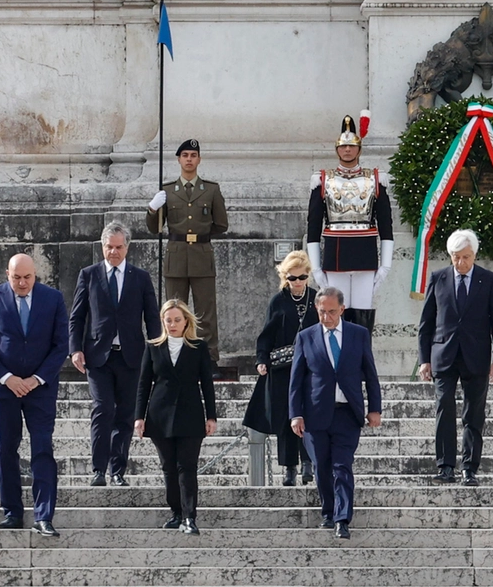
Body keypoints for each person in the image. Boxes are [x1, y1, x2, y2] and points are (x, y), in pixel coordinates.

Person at [0, 254, 68, 537]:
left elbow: (60, 344)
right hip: (3, 389)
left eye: (28, 277)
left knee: (42, 449)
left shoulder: (53, 299)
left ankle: (43, 516)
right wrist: (8, 378)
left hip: (40, 389)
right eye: (17, 278)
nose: (23, 283)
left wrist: (36, 379)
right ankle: (13, 512)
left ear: (35, 274)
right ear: (7, 275)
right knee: (5, 451)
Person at [69, 221, 161, 487]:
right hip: (98, 356)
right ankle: (98, 469)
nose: (114, 252)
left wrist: (157, 353)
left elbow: (153, 319)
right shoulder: (88, 275)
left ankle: (117, 471)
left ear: (127, 248)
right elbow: (77, 317)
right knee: (103, 409)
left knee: (125, 415)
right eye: (109, 247)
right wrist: (75, 349)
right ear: (102, 246)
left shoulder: (140, 277)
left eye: (119, 247)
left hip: (132, 357)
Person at [290, 287, 383, 539]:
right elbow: (296, 380)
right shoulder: (306, 337)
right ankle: (328, 512)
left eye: (332, 312)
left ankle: (343, 518)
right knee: (321, 466)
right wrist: (295, 414)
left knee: (342, 465)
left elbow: (371, 375)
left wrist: (375, 408)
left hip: (347, 414)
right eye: (322, 312)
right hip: (315, 414)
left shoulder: (358, 335)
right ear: (316, 310)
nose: (327, 317)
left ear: (342, 309)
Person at [417, 230, 493, 486]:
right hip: (443, 355)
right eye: (456, 257)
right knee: (444, 406)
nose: (461, 263)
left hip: (476, 356)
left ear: (474, 255)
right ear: (450, 256)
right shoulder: (438, 278)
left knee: (474, 414)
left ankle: (469, 467)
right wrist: (424, 359)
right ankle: (445, 466)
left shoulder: (488, 280)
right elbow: (426, 323)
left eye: (466, 257)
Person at [305, 111, 394, 334]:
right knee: (335, 311)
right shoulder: (323, 179)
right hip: (336, 255)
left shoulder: (375, 178)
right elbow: (313, 227)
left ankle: (362, 363)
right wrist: (315, 267)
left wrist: (386, 264)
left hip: (365, 254)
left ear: (359, 149)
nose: (347, 150)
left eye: (352, 146)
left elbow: (386, 225)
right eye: (343, 146)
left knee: (363, 314)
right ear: (337, 149)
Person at [146, 138, 230, 373]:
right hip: (176, 256)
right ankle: (172, 357)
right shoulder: (168, 190)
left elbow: (221, 224)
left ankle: (209, 359)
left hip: (202, 255)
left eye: (193, 155)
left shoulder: (211, 190)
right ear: (179, 159)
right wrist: (152, 209)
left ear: (199, 159)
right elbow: (155, 228)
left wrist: (200, 236)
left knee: (205, 311)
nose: (189, 159)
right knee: (174, 311)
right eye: (185, 155)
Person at [134, 300, 217, 535]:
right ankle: (176, 513)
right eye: (168, 320)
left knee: (187, 467)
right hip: (159, 415)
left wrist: (211, 416)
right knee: (168, 467)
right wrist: (139, 417)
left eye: (177, 320)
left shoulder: (198, 347)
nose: (172, 324)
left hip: (190, 414)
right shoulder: (152, 347)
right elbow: (143, 384)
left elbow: (207, 384)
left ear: (186, 321)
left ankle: (190, 517)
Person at [243, 251, 319, 486]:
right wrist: (261, 359)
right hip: (283, 367)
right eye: (292, 278)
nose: (297, 283)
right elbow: (267, 333)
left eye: (302, 277)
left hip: (310, 367)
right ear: (285, 277)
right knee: (286, 417)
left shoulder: (315, 298)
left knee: (309, 414)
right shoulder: (278, 300)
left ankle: (308, 463)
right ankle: (289, 469)